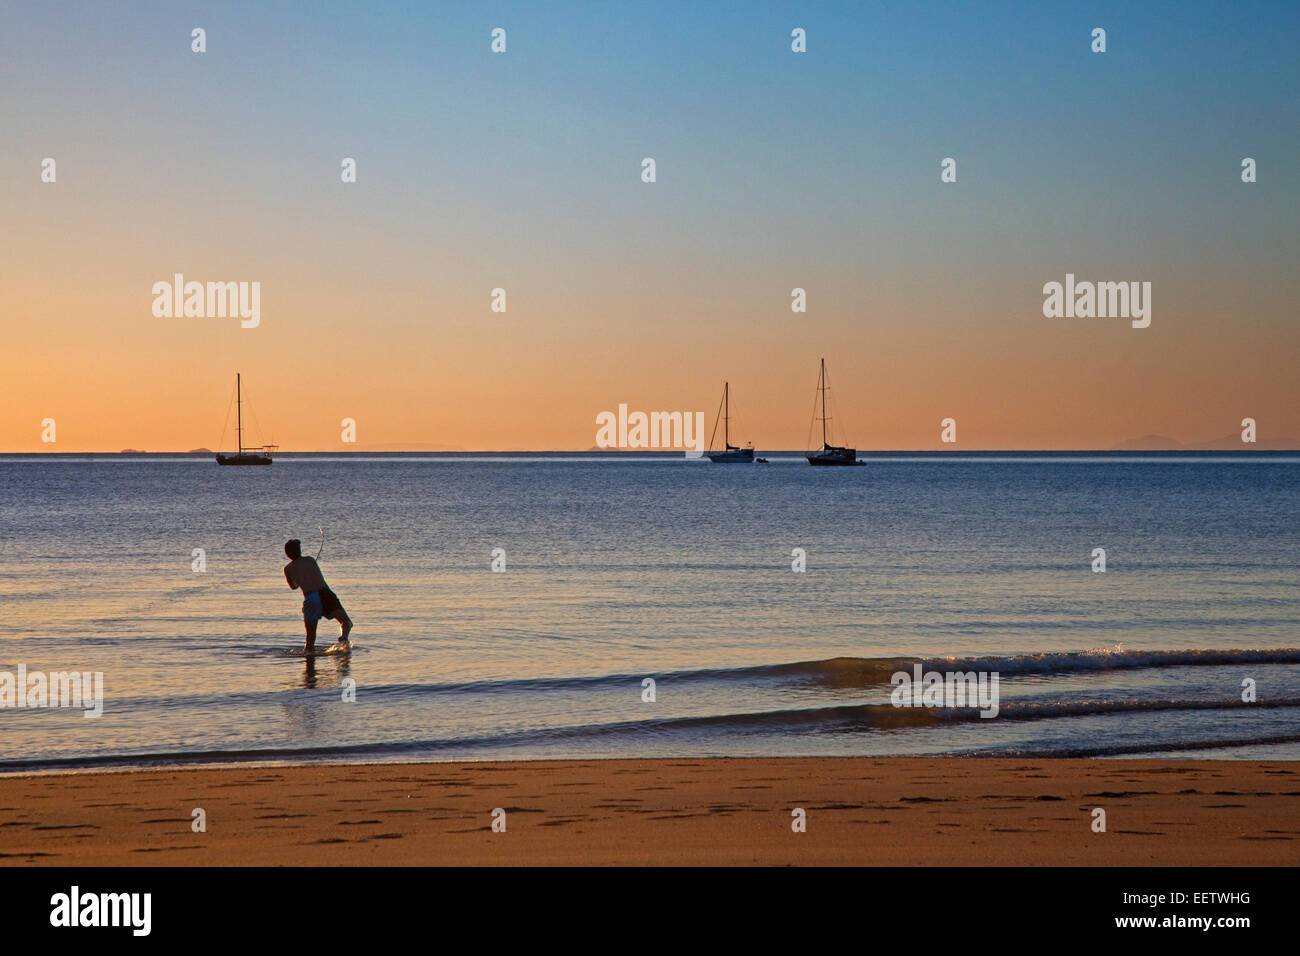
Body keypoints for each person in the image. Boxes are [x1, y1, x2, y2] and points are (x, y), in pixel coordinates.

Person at [283, 538, 352, 651]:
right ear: (299, 550)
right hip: (324, 594)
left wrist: (299, 578)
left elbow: (293, 587)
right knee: (346, 622)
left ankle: (309, 661)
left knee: (310, 639)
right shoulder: (310, 560)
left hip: (310, 598)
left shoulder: (287, 569)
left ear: (287, 554)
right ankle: (343, 639)